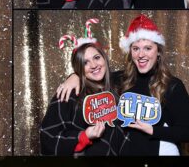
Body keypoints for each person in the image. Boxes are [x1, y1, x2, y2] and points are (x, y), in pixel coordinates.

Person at [56, 15, 189, 155]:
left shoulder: (172, 85)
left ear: (158, 51)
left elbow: (187, 133)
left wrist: (152, 130)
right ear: (130, 52)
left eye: (147, 48)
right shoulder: (118, 79)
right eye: (136, 49)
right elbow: (93, 74)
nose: (141, 54)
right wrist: (75, 76)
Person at [40, 19, 127, 156]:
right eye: (85, 62)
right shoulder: (69, 93)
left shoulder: (121, 82)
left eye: (97, 57)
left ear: (104, 58)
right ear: (79, 68)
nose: (93, 65)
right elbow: (48, 136)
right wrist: (83, 136)